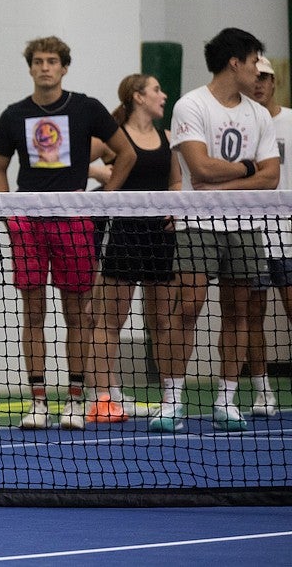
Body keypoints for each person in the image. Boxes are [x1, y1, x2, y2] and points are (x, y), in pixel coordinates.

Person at [0, 36, 134, 431]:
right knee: (32, 313)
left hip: (74, 221)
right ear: (31, 67)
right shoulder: (13, 115)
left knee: (78, 314)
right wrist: (8, 213)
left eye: (52, 61)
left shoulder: (86, 108)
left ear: (64, 67)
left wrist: (103, 199)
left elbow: (127, 153)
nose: (45, 67)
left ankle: (74, 400)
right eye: (38, 61)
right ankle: (38, 403)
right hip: (28, 224)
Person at [156, 30, 279, 433]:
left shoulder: (259, 114)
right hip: (197, 222)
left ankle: (226, 400)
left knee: (239, 311)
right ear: (234, 62)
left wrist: (226, 184)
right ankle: (172, 400)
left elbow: (272, 178)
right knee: (188, 306)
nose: (258, 70)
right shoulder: (190, 105)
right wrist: (247, 168)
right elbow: (201, 167)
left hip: (244, 223)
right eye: (254, 60)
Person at [84, 74, 180, 424]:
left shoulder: (168, 138)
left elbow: (176, 181)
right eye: (157, 89)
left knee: (163, 322)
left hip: (160, 238)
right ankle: (104, 398)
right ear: (138, 97)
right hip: (122, 235)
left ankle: (172, 399)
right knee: (109, 321)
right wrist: (102, 179)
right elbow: (74, 159)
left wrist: (174, 205)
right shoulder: (114, 139)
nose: (163, 95)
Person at [247, 55, 289, 417]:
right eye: (254, 76)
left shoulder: (290, 121)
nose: (259, 83)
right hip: (251, 236)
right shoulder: (243, 123)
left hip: (288, 237)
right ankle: (263, 392)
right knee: (250, 315)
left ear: (274, 82)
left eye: (265, 77)